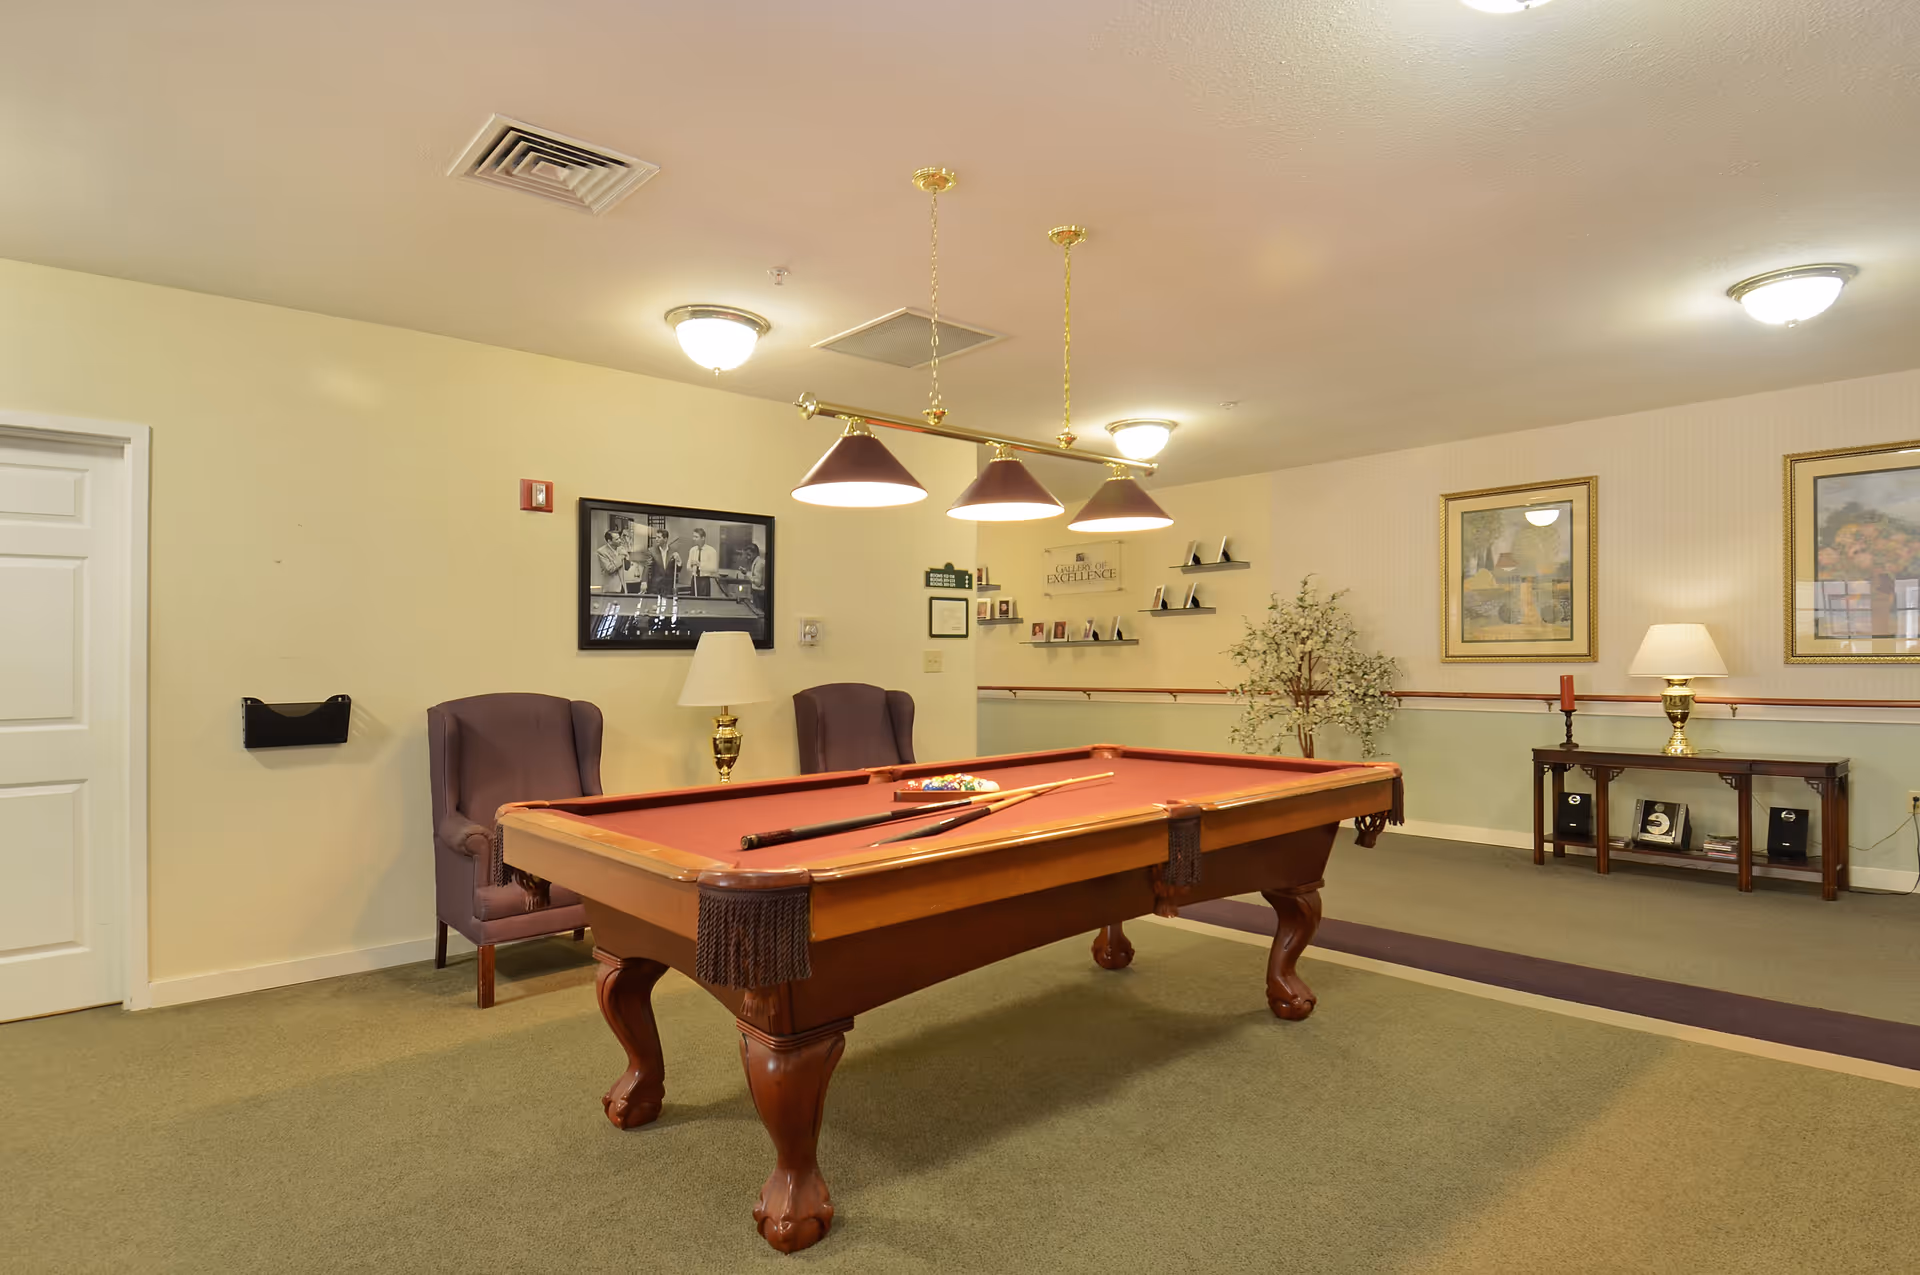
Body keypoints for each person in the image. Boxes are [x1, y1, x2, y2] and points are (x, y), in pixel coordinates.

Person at [685, 527, 719, 597]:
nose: (693, 539)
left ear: (703, 538)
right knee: (693, 602)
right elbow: (688, 567)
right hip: (694, 579)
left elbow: (714, 569)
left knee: (703, 603)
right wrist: (691, 566)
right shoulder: (692, 550)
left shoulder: (711, 551)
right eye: (693, 536)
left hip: (704, 580)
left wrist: (700, 565)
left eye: (696, 537)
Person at [594, 526, 629, 593]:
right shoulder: (602, 552)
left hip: (623, 587)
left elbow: (627, 567)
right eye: (617, 539)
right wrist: (620, 558)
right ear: (609, 541)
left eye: (619, 538)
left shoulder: (621, 549)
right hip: (611, 588)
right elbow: (609, 569)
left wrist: (627, 557)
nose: (620, 541)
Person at [743, 541, 769, 616]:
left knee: (759, 614)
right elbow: (756, 575)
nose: (748, 557)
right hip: (757, 593)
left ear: (755, 553)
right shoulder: (757, 562)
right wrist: (746, 572)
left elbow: (758, 582)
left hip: (759, 593)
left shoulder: (759, 564)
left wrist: (746, 574)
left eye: (749, 554)